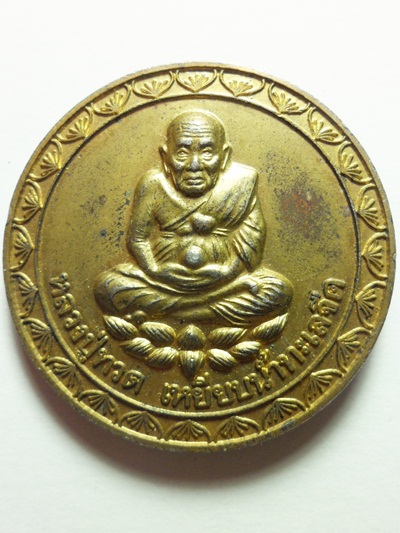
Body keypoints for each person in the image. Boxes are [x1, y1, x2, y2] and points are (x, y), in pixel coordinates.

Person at [94, 111, 292, 326]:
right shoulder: (153, 185)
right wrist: (154, 270)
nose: (194, 165)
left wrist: (228, 273)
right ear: (165, 156)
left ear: (224, 156)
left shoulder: (242, 183)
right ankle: (204, 312)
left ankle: (174, 314)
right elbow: (137, 239)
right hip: (163, 282)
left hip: (225, 281)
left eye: (207, 152)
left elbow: (252, 240)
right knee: (108, 288)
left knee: (277, 292)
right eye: (182, 153)